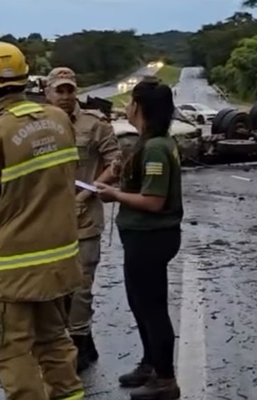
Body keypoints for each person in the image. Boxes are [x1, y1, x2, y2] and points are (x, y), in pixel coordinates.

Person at [0, 41, 84, 400]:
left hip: (10, 269)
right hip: (58, 260)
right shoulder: (59, 120)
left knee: (13, 354)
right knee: (56, 345)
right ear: (27, 78)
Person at [95, 79, 183, 400]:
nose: (127, 107)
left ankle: (165, 380)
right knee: (139, 303)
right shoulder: (145, 142)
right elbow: (120, 169)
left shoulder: (157, 147)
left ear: (140, 107)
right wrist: (90, 189)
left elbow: (153, 201)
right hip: (139, 238)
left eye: (131, 102)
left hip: (152, 238)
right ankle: (150, 363)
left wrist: (113, 195)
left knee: (153, 307)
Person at [45, 67, 121, 372]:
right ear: (47, 92)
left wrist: (86, 194)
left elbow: (115, 163)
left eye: (69, 90)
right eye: (58, 91)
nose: (64, 97)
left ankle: (79, 343)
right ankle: (75, 340)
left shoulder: (95, 124)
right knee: (53, 285)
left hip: (84, 218)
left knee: (81, 286)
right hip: (46, 221)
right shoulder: (35, 126)